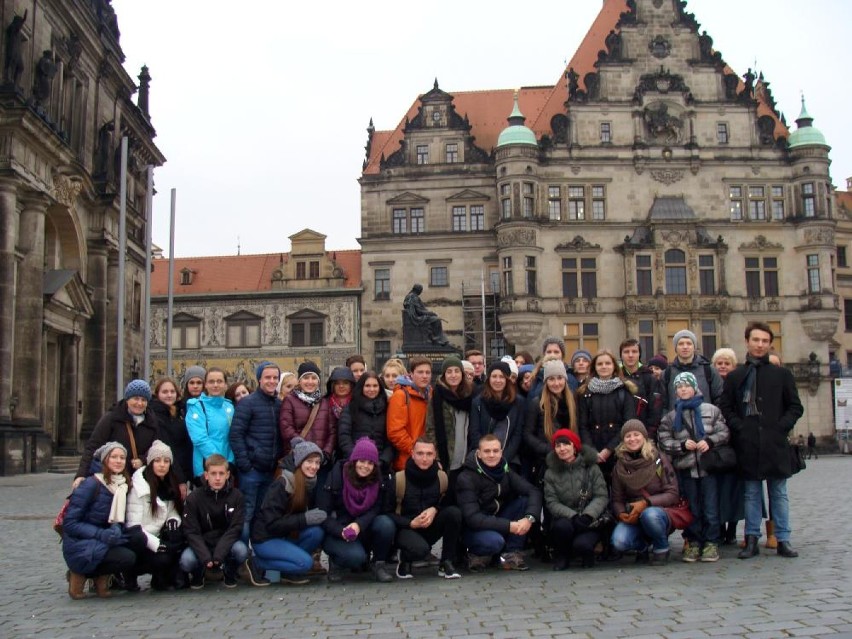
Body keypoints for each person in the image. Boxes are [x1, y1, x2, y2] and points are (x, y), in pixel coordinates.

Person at [718, 322, 804, 559]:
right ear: (747, 341)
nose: (760, 345)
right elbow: (726, 407)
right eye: (756, 340)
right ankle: (752, 539)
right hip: (748, 442)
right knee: (751, 494)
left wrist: (780, 426)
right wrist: (740, 427)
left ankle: (783, 538)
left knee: (779, 493)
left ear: (770, 344)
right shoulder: (736, 376)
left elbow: (795, 407)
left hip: (775, 442)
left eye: (765, 341)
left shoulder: (782, 374)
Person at [657, 372, 730, 563]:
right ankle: (693, 541)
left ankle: (711, 542)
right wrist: (680, 446)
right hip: (686, 468)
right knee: (692, 507)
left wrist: (710, 441)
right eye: (679, 387)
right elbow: (663, 440)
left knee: (710, 507)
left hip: (708, 467)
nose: (683, 389)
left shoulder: (711, 410)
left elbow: (724, 432)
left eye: (687, 386)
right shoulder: (671, 417)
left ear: (695, 387)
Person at [63, 442, 144, 599]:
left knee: (138, 539)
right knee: (127, 558)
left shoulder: (122, 484)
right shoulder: (91, 484)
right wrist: (101, 534)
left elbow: (119, 518)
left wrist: (116, 529)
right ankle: (81, 573)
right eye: (114, 457)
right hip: (81, 542)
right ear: (104, 460)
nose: (118, 461)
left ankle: (101, 575)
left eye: (122, 457)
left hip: (107, 536)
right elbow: (70, 523)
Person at [456, 434, 542, 571]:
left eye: (495, 451)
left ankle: (511, 553)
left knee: (524, 502)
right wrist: (509, 526)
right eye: (487, 451)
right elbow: (472, 518)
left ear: (501, 452)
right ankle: (474, 554)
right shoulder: (466, 477)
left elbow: (533, 491)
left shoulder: (505, 470)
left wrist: (529, 518)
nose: (491, 455)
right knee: (495, 542)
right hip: (473, 528)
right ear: (478, 453)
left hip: (496, 519)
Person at [249, 438, 327, 585]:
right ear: (299, 462)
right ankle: (256, 563)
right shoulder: (282, 483)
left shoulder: (309, 482)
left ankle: (289, 570)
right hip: (266, 538)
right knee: (306, 563)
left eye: (317, 462)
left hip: (285, 535)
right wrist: (304, 519)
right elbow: (272, 524)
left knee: (316, 532)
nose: (314, 466)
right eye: (309, 461)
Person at [319, 438, 397, 583]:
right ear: (354, 460)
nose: (365, 466)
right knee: (356, 558)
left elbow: (376, 508)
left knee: (386, 524)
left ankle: (378, 564)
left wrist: (358, 525)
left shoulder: (377, 480)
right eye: (362, 461)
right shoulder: (337, 476)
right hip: (337, 530)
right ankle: (336, 562)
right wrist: (340, 531)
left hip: (361, 529)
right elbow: (323, 514)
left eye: (370, 463)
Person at [179, 453, 262, 588]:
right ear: (206, 475)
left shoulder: (237, 496)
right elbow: (191, 531)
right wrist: (205, 556)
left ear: (227, 475)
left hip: (226, 542)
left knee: (241, 551)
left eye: (221, 473)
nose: (217, 478)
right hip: (202, 542)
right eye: (213, 474)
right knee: (186, 561)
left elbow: (235, 528)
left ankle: (230, 570)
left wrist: (219, 554)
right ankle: (199, 572)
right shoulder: (194, 498)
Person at [610, 420, 680, 565]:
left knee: (650, 515)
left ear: (644, 437)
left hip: (657, 511)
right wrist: (621, 513)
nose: (632, 439)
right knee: (619, 541)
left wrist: (647, 503)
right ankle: (641, 548)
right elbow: (617, 498)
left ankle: (661, 547)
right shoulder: (620, 465)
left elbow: (673, 493)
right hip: (633, 514)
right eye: (628, 436)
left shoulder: (658, 459)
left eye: (636, 434)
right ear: (623, 440)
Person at [391, 438, 462, 579]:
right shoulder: (398, 479)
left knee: (454, 513)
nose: (425, 458)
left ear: (435, 455)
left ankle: (446, 561)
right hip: (405, 528)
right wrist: (410, 523)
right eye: (420, 453)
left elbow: (447, 502)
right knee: (420, 550)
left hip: (429, 526)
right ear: (412, 454)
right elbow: (386, 513)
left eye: (429, 454)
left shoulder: (442, 477)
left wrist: (435, 509)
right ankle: (405, 559)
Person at [229, 361, 283, 542]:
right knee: (245, 516)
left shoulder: (278, 404)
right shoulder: (248, 403)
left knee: (261, 517)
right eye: (268, 377)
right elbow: (236, 435)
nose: (272, 381)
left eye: (275, 377)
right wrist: (245, 464)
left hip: (269, 470)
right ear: (259, 379)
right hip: (252, 471)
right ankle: (241, 558)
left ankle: (256, 559)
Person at [73, 379, 159, 489]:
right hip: (113, 479)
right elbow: (93, 446)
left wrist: (142, 459)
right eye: (136, 398)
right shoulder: (112, 418)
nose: (139, 403)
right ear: (127, 399)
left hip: (139, 479)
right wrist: (81, 474)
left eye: (143, 399)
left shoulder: (152, 421)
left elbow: (154, 447)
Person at [543, 429, 608, 570]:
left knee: (582, 545)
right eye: (558, 446)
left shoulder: (592, 468)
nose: (562, 449)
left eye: (566, 444)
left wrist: (588, 515)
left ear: (574, 446)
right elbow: (551, 501)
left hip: (589, 519)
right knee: (561, 527)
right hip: (566, 518)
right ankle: (562, 557)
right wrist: (571, 516)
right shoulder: (550, 473)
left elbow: (601, 495)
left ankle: (587, 554)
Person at [126, 440, 185, 590]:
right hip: (140, 540)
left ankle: (161, 577)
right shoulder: (140, 488)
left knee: (175, 543)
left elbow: (172, 509)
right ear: (150, 463)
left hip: (157, 535)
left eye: (166, 461)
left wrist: (173, 520)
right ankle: (129, 574)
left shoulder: (169, 484)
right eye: (157, 461)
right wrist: (158, 545)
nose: (162, 465)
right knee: (159, 553)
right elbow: (134, 526)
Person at [578, 349, 638, 484]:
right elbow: (582, 425)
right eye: (600, 364)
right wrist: (592, 451)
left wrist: (609, 449)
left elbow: (628, 424)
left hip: (619, 451)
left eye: (607, 363)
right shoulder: (584, 392)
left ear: (614, 366)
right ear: (594, 367)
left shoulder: (624, 391)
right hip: (592, 451)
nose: (604, 367)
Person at [524, 359, 578, 487]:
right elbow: (527, 434)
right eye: (551, 379)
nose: (556, 383)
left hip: (571, 460)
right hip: (546, 461)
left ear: (565, 379)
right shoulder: (537, 403)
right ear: (546, 382)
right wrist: (550, 449)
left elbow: (578, 430)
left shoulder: (574, 402)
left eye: (560, 378)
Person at [711, 347, 742, 546]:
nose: (722, 366)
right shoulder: (711, 384)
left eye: (726, 363)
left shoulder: (740, 384)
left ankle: (732, 527)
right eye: (719, 363)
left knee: (735, 488)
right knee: (718, 488)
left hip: (736, 442)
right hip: (715, 442)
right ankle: (720, 527)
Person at [279, 362, 335, 472]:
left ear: (318, 382)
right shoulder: (290, 400)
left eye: (314, 378)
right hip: (298, 461)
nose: (310, 381)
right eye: (306, 378)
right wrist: (305, 451)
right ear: (299, 381)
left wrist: (326, 453)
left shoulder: (325, 402)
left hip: (320, 462)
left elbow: (332, 431)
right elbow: (286, 427)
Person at [469, 361, 525, 469]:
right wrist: (486, 456)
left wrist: (503, 458)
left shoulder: (518, 402)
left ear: (507, 379)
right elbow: (475, 432)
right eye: (494, 376)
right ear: (489, 379)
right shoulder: (478, 402)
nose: (498, 380)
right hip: (483, 458)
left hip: (509, 458)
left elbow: (517, 434)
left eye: (502, 377)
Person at [427, 356, 475, 482]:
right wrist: (436, 457)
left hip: (466, 456)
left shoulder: (470, 395)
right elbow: (431, 428)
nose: (453, 375)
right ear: (444, 375)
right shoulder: (437, 396)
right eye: (449, 372)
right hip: (446, 456)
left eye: (456, 371)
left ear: (462, 374)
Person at [337, 371, 394, 471]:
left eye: (375, 386)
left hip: (380, 465)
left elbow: (391, 440)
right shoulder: (350, 408)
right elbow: (344, 437)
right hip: (355, 464)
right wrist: (356, 458)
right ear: (361, 387)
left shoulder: (388, 409)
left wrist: (383, 461)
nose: (371, 389)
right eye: (367, 386)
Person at [185, 368, 235, 481]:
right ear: (206, 385)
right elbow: (200, 439)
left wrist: (230, 461)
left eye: (219, 381)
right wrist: (219, 463)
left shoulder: (229, 407)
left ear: (225, 385)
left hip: (228, 467)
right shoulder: (197, 407)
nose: (215, 385)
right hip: (206, 467)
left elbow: (233, 437)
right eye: (211, 382)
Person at [387, 356, 433, 471]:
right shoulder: (400, 396)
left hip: (428, 458)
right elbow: (395, 432)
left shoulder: (431, 394)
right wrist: (416, 451)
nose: (424, 376)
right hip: (408, 460)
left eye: (428, 372)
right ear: (411, 374)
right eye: (420, 372)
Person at [662, 330, 723, 411]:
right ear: (675, 348)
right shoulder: (667, 373)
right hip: (675, 421)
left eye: (689, 343)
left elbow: (720, 398)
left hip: (704, 421)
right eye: (681, 344)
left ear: (694, 347)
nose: (685, 347)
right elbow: (663, 404)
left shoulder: (709, 370)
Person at [150, 377, 192, 492]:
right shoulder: (155, 416)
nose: (169, 395)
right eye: (165, 392)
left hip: (183, 469)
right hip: (169, 472)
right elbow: (169, 448)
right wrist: (180, 479)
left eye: (172, 392)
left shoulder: (180, 412)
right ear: (157, 394)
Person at [619, 338, 658, 439]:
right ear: (621, 355)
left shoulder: (649, 377)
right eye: (626, 352)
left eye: (634, 351)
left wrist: (649, 435)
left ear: (639, 354)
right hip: (619, 434)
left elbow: (655, 410)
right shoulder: (615, 378)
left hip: (644, 433)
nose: (630, 355)